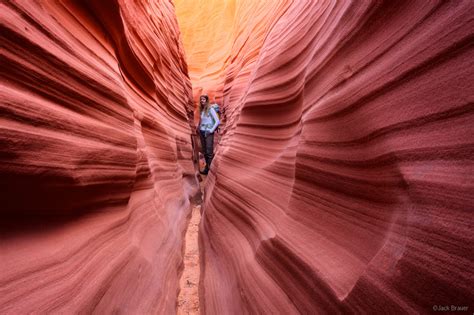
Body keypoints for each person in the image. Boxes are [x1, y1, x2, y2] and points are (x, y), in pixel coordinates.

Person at [198, 94, 220, 175]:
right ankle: (207, 169)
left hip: (208, 132)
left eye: (203, 99)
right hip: (202, 131)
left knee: (209, 152)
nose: (202, 101)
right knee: (205, 151)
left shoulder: (210, 109)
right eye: (201, 99)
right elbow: (203, 121)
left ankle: (210, 171)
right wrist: (198, 127)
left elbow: (217, 121)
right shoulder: (202, 109)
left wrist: (211, 130)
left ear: (207, 100)